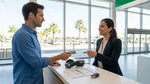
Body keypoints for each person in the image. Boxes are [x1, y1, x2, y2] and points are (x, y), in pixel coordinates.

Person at [12, 2, 71, 84]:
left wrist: (50, 61)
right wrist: (60, 56)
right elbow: (36, 62)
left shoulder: (30, 34)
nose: (43, 19)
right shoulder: (23, 35)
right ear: (31, 15)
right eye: (41, 16)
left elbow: (34, 58)